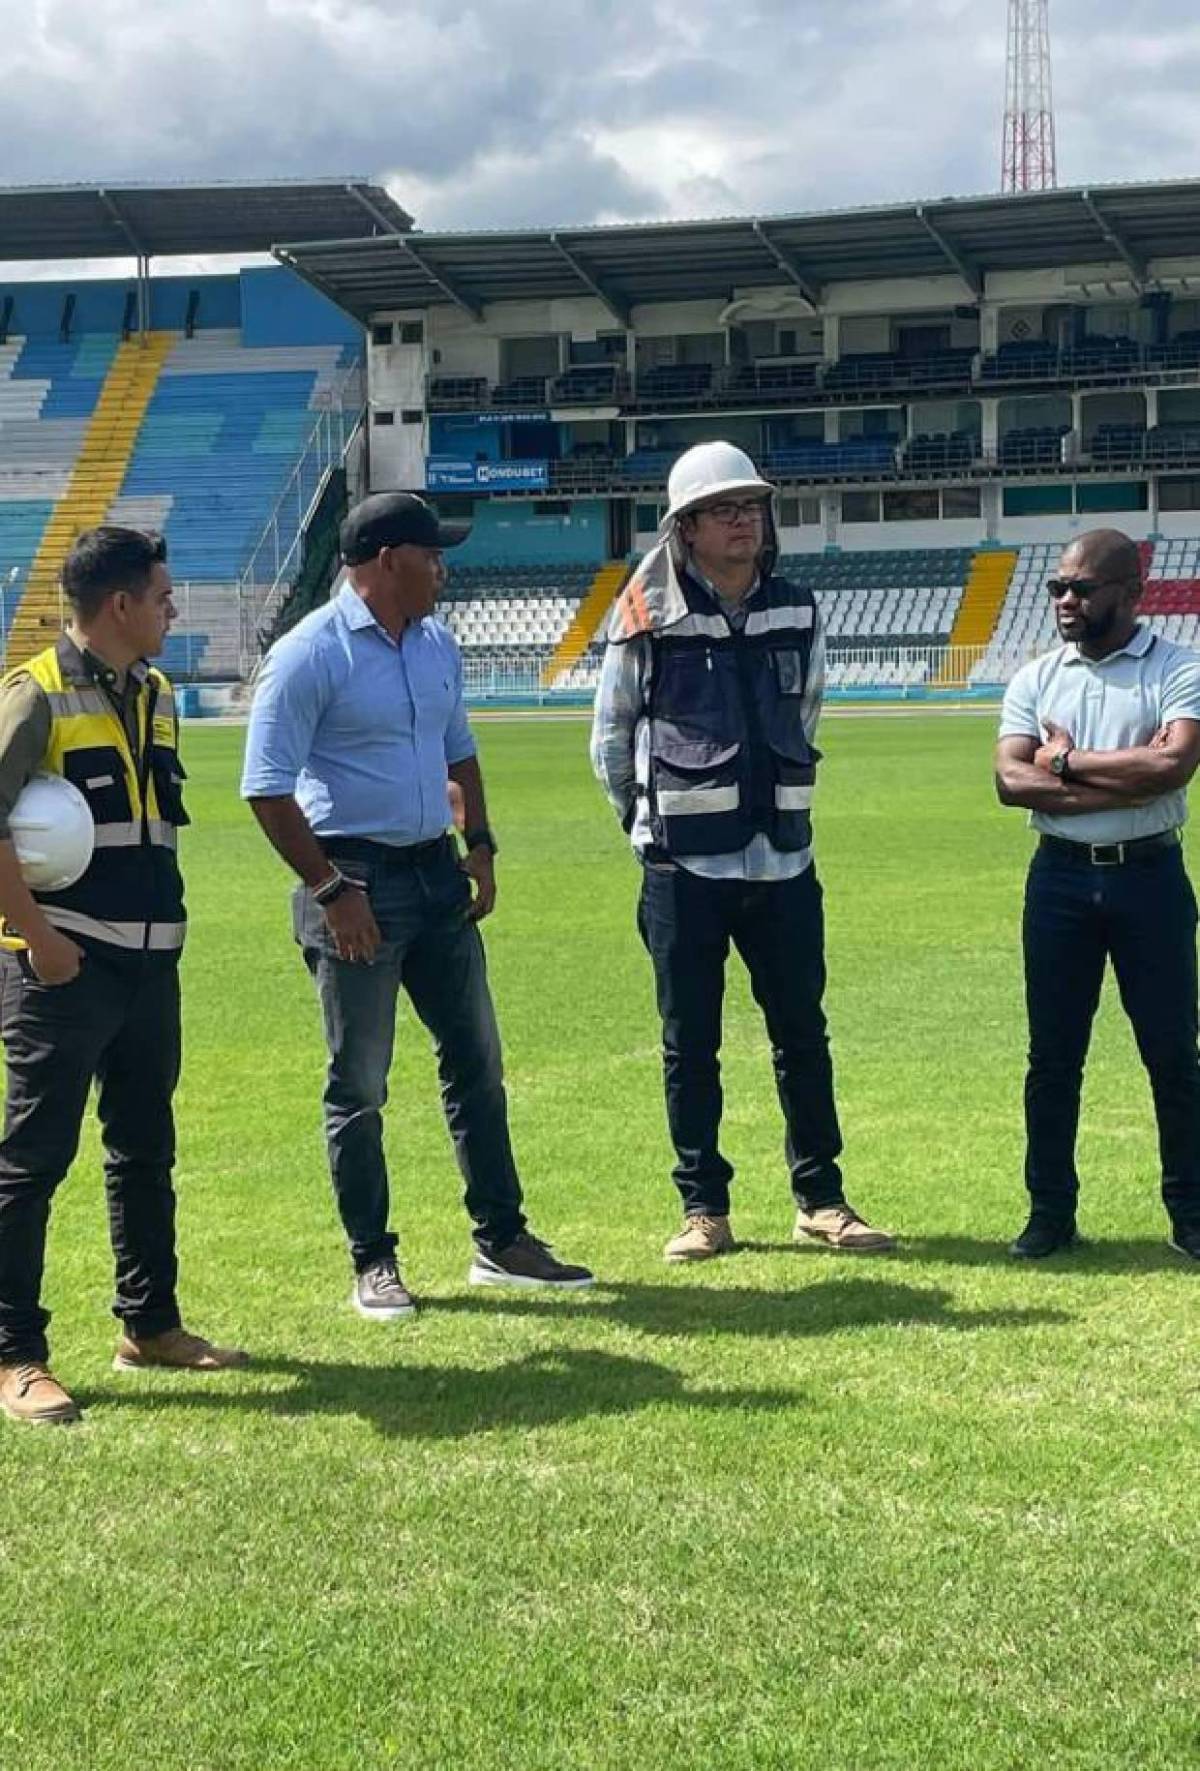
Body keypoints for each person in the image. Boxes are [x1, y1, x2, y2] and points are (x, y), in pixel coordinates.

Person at [241, 491, 593, 1314]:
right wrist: (332, 890)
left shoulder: (435, 644)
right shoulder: (308, 653)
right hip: (355, 881)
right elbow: (264, 789)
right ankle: (372, 1259)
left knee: (478, 1062)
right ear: (388, 561)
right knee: (360, 1082)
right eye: (434, 555)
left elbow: (459, 749)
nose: (444, 569)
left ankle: (502, 1239)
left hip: (437, 876)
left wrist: (480, 846)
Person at [591, 442, 894, 1261]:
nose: (744, 522)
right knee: (690, 1042)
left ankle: (821, 1198)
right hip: (682, 868)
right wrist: (649, 826)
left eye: (753, 507)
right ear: (684, 529)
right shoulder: (643, 614)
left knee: (804, 1033)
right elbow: (611, 739)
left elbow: (808, 711)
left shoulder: (797, 608)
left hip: (784, 863)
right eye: (725, 510)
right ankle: (703, 1208)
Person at [0, 527, 248, 1428]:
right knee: (30, 1163)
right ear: (119, 606)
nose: (173, 607)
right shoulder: (34, 694)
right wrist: (36, 939)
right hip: (61, 965)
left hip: (150, 964)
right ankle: (14, 1353)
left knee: (144, 1150)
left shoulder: (157, 691)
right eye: (163, 595)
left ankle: (150, 1324)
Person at [995, 527, 1200, 1261]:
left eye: (1083, 587)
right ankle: (1050, 1213)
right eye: (1057, 587)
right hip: (1059, 879)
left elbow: (1171, 768)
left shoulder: (1178, 666)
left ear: (1130, 592)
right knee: (1053, 1057)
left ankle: (1191, 1212)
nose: (1066, 600)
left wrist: (1066, 762)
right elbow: (1011, 782)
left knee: (1173, 1053)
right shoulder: (1037, 676)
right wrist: (1105, 777)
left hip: (1149, 876)